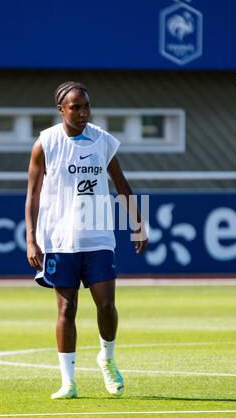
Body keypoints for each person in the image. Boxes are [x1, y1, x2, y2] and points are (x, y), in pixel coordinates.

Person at [25, 81, 147, 399]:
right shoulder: (46, 143)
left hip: (98, 233)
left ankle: (106, 358)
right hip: (59, 238)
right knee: (67, 309)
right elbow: (33, 194)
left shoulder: (102, 140)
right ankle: (68, 381)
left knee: (106, 305)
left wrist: (138, 223)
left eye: (86, 106)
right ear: (61, 109)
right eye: (75, 107)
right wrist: (31, 239)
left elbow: (122, 184)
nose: (82, 112)